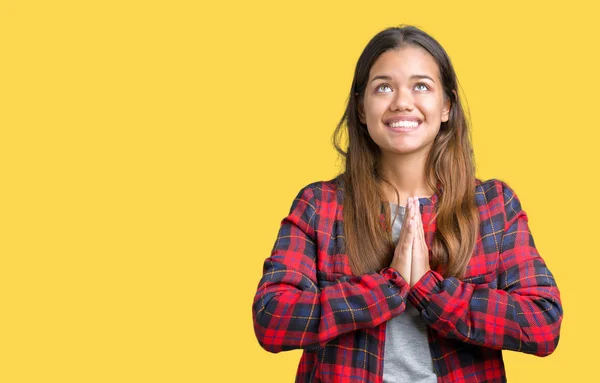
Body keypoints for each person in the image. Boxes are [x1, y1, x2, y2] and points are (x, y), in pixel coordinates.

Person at [251, 25, 562, 383]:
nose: (401, 101)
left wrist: (431, 291)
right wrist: (386, 288)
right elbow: (271, 319)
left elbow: (543, 324)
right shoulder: (319, 205)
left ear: (446, 105)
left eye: (421, 86)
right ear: (362, 109)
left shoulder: (493, 205)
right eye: (383, 87)